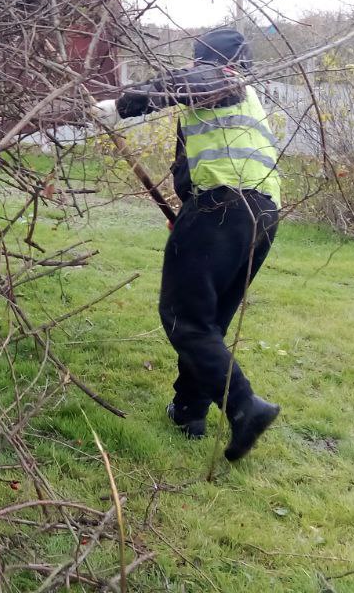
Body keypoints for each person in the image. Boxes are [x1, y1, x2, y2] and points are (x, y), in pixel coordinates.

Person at [95, 27, 282, 461]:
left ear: (211, 61)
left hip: (223, 207)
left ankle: (244, 406)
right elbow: (188, 167)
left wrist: (121, 106)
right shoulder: (240, 101)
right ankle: (189, 411)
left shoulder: (222, 79)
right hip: (259, 215)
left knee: (185, 318)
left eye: (199, 61)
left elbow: (189, 82)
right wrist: (186, 216)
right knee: (208, 319)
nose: (195, 67)